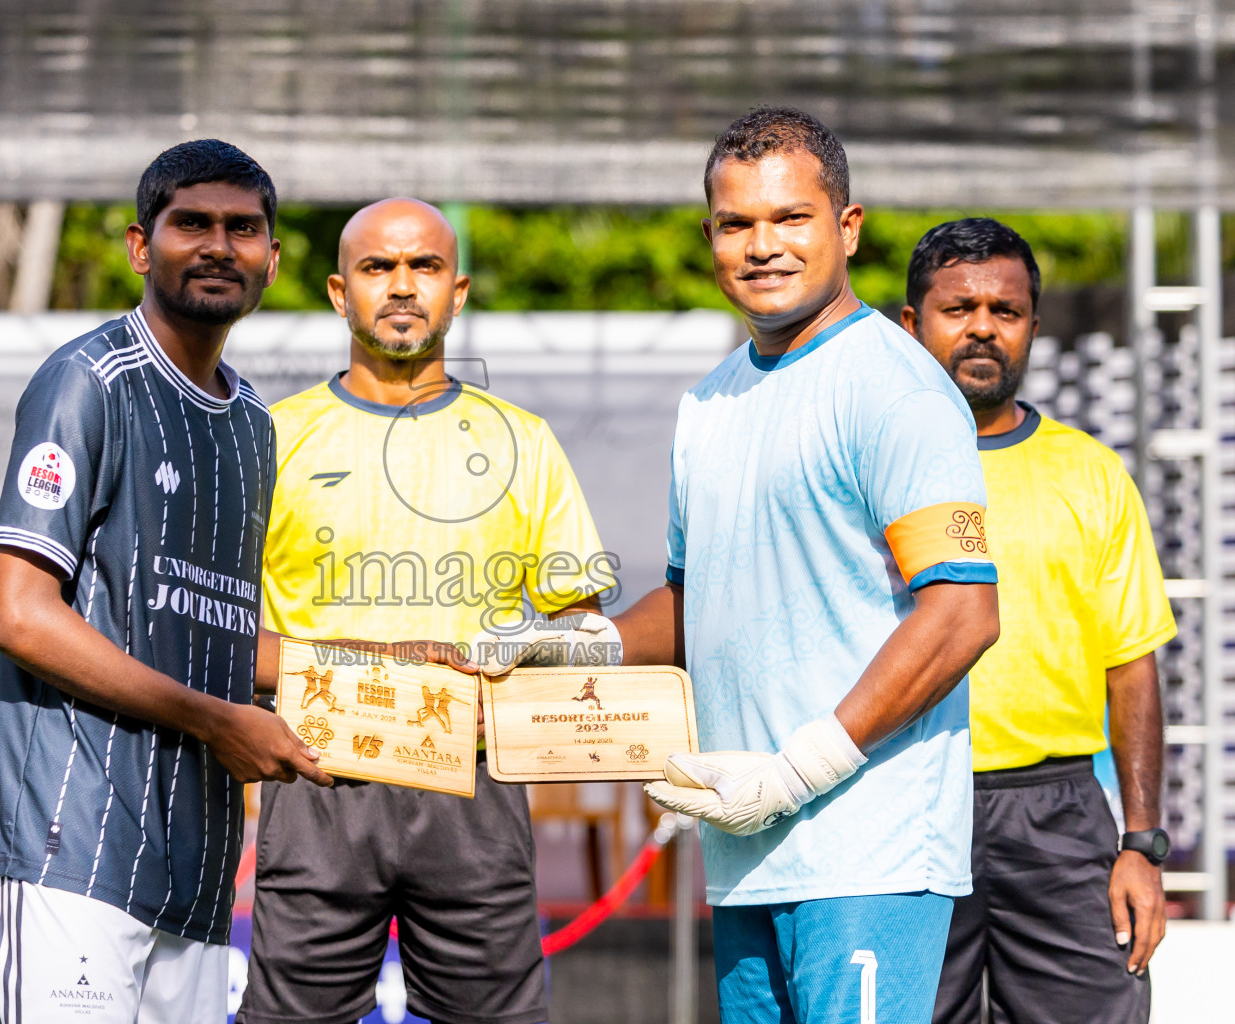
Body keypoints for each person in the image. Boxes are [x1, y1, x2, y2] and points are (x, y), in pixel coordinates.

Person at [489, 108, 1002, 1024]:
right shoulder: (710, 403)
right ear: (710, 236)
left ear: (846, 228)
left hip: (867, 853)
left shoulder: (898, 389)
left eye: (790, 219)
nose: (762, 245)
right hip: (746, 848)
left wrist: (797, 772)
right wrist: (587, 646)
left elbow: (962, 615)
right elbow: (699, 599)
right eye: (737, 224)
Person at [0, 140, 337, 1024]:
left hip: (194, 873)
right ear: (140, 245)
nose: (218, 246)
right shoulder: (84, 381)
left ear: (273, 260)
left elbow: (210, 634)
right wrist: (218, 721)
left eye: (243, 229)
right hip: (65, 852)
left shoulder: (251, 425)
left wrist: (376, 670)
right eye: (191, 223)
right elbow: (16, 615)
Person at [237, 198, 613, 1024]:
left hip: (474, 779)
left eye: (424, 267)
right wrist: (355, 671)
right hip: (319, 776)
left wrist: (511, 657)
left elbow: (584, 633)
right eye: (377, 268)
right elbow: (222, 632)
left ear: (459, 290)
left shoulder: (526, 440)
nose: (401, 287)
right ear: (340, 293)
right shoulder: (267, 438)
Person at [901, 218, 1175, 1024]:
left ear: (1032, 328)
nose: (983, 326)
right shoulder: (867, 466)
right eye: (959, 308)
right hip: (907, 805)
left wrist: (1141, 843)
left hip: (1058, 814)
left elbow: (1132, 667)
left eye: (1006, 310)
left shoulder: (1089, 472)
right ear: (911, 325)